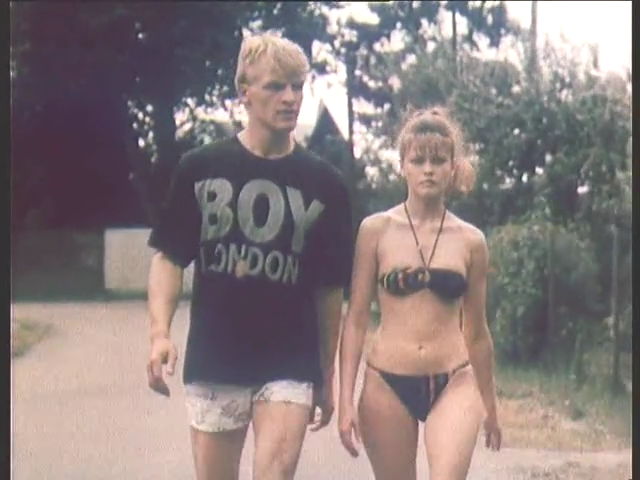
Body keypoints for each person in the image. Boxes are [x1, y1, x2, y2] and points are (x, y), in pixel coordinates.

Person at [145, 32, 353, 480]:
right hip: (216, 358)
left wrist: (325, 374)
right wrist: (159, 333)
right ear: (245, 92)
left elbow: (330, 289)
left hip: (289, 361)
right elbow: (169, 258)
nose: (290, 97)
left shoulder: (326, 184)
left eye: (297, 86)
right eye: (276, 86)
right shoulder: (200, 167)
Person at [338, 107, 501, 480]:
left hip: (454, 378)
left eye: (438, 161)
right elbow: (356, 320)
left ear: (452, 168)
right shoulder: (375, 231)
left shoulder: (471, 241)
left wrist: (491, 405)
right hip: (387, 380)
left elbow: (477, 331)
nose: (428, 170)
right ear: (403, 167)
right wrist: (346, 400)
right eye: (418, 160)